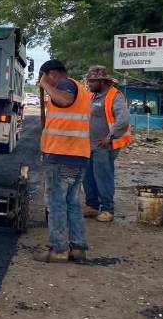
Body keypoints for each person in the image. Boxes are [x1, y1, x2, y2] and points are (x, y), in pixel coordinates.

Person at [35, 59, 93, 264]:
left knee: (56, 203)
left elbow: (64, 100)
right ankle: (77, 247)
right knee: (72, 204)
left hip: (62, 156)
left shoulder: (66, 85)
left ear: (52, 74)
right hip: (77, 155)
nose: (41, 80)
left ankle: (59, 249)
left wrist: (45, 85)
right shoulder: (80, 89)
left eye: (43, 76)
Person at [82, 65, 131, 222]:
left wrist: (110, 137)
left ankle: (108, 209)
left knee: (103, 176)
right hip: (89, 145)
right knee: (88, 176)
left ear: (101, 81)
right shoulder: (92, 96)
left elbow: (123, 120)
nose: (88, 84)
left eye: (91, 82)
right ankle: (92, 206)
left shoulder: (115, 96)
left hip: (105, 146)